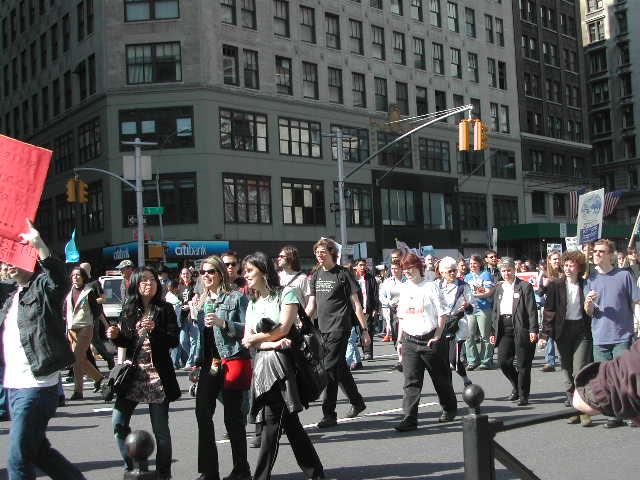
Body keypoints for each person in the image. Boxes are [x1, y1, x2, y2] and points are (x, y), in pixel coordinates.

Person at [1, 219, 85, 479]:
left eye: (12, 261)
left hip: (37, 386)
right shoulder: (12, 296)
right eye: (4, 262)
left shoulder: (42, 288)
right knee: (38, 451)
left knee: (18, 461)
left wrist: (39, 244)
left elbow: (59, 278)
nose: (8, 266)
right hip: (14, 387)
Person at [241, 252, 325, 480]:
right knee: (291, 425)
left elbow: (284, 329)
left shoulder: (286, 294)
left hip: (283, 367)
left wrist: (264, 339)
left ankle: (261, 477)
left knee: (271, 424)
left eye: (249, 270)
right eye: (244, 271)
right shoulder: (253, 303)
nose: (245, 275)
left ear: (263, 270)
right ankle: (316, 473)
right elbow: (247, 339)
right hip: (262, 365)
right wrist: (271, 343)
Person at [107, 267, 180, 480]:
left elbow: (173, 340)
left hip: (158, 376)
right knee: (118, 422)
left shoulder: (165, 309)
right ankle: (132, 467)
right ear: (136, 285)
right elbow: (126, 342)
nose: (149, 284)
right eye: (144, 281)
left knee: (161, 432)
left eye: (153, 280)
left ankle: (164, 474)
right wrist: (115, 336)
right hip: (133, 376)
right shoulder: (129, 308)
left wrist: (156, 329)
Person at [191, 256, 250, 480]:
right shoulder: (201, 301)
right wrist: (197, 364)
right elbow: (202, 338)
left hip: (231, 359)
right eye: (203, 272)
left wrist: (223, 323)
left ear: (220, 275)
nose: (206, 275)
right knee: (202, 412)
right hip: (211, 364)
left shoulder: (236, 298)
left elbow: (248, 329)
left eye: (211, 272)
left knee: (233, 418)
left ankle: (241, 470)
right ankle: (209, 471)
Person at [305, 238, 369, 428]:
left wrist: (364, 330)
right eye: (317, 252)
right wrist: (298, 323)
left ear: (332, 253)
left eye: (323, 251)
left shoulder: (343, 274)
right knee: (339, 368)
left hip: (340, 327)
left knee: (329, 369)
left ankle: (329, 414)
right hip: (322, 329)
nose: (319, 255)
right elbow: (311, 306)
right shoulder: (316, 275)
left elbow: (356, 304)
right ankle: (357, 402)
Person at [394, 253, 457, 432]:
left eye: (410, 268)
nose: (406, 272)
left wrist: (437, 335)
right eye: (404, 269)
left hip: (430, 339)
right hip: (409, 340)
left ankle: (449, 407)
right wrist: (399, 341)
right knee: (411, 382)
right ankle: (409, 418)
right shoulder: (405, 288)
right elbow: (402, 317)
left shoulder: (431, 286)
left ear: (419, 268)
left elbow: (442, 314)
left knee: (440, 379)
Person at [584, 238, 640, 428]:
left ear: (610, 255)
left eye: (601, 251)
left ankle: (632, 412)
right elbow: (589, 312)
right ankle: (614, 415)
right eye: (595, 251)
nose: (596, 254)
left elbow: (635, 302)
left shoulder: (624, 276)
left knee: (625, 377)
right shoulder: (590, 278)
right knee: (605, 378)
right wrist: (589, 303)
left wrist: (638, 323)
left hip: (622, 335)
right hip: (600, 336)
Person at [540, 251, 593, 426]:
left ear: (579, 267)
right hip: (563, 331)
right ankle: (573, 407)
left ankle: (584, 409)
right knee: (566, 371)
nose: (568, 268)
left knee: (579, 371)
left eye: (572, 265)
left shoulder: (585, 284)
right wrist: (545, 335)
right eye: (566, 265)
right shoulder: (556, 285)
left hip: (581, 331)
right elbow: (549, 311)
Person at [490, 257, 539, 406]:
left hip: (521, 327)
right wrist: (492, 332)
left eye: (509, 270)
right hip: (504, 328)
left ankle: (523, 394)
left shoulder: (524, 286)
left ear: (514, 270)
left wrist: (533, 329)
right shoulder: (499, 288)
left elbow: (532, 310)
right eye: (503, 271)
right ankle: (517, 386)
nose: (506, 273)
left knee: (523, 364)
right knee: (503, 362)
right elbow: (495, 311)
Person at [572, 338, 640, 425]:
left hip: (621, 338)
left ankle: (629, 412)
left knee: (622, 383)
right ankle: (617, 416)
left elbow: (584, 400)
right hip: (600, 339)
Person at [64, 266, 106, 400]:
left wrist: (90, 322)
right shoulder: (68, 291)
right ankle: (98, 378)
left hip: (85, 327)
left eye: (78, 275)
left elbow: (97, 310)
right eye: (73, 275)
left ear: (83, 277)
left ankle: (78, 391)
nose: (75, 277)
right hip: (71, 328)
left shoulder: (89, 291)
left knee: (76, 357)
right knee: (77, 359)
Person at [436, 257, 474, 387]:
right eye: (450, 271)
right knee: (444, 362)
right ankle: (449, 389)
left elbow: (472, 308)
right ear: (442, 273)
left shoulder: (464, 286)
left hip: (458, 325)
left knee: (454, 359)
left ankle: (465, 379)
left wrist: (467, 306)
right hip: (441, 326)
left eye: (454, 270)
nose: (453, 273)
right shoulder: (436, 285)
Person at [80, 262, 115, 370]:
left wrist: (89, 301)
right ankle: (91, 368)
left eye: (82, 270)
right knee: (82, 343)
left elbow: (103, 298)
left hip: (93, 316)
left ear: (87, 270)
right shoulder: (80, 284)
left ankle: (108, 358)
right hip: (81, 317)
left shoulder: (94, 283)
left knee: (94, 340)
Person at [464, 255, 496, 370]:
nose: (472, 266)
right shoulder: (467, 277)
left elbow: (488, 292)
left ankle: (486, 361)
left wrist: (473, 295)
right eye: (471, 264)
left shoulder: (486, 275)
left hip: (484, 308)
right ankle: (472, 360)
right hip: (470, 309)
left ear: (480, 264)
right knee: (469, 335)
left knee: (485, 336)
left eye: (474, 263)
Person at [538, 250, 562, 373]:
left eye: (558, 258)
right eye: (554, 259)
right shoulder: (545, 274)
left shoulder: (564, 272)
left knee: (563, 335)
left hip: (563, 308)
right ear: (549, 261)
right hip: (550, 309)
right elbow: (539, 293)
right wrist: (544, 285)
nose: (557, 261)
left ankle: (564, 360)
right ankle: (550, 362)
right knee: (549, 334)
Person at [353, 259, 379, 361]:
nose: (363, 267)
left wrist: (375, 308)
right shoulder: (353, 278)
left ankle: (368, 352)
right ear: (356, 266)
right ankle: (359, 353)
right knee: (357, 331)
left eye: (364, 265)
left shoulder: (370, 278)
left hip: (367, 309)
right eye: (360, 265)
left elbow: (375, 294)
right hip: (355, 309)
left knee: (367, 330)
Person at [379, 259, 404, 350]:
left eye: (396, 268)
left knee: (405, 333)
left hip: (405, 310)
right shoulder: (388, 282)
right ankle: (398, 352)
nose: (394, 270)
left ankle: (404, 356)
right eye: (392, 268)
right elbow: (381, 296)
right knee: (394, 332)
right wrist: (388, 302)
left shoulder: (407, 281)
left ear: (401, 269)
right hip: (392, 310)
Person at [178, 267, 199, 370]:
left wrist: (189, 306)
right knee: (183, 341)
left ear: (190, 274)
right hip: (182, 317)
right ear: (181, 275)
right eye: (183, 274)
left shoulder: (195, 286)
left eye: (187, 273)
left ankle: (190, 362)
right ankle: (194, 358)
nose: (185, 276)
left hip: (193, 316)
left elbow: (197, 299)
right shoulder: (179, 287)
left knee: (194, 340)